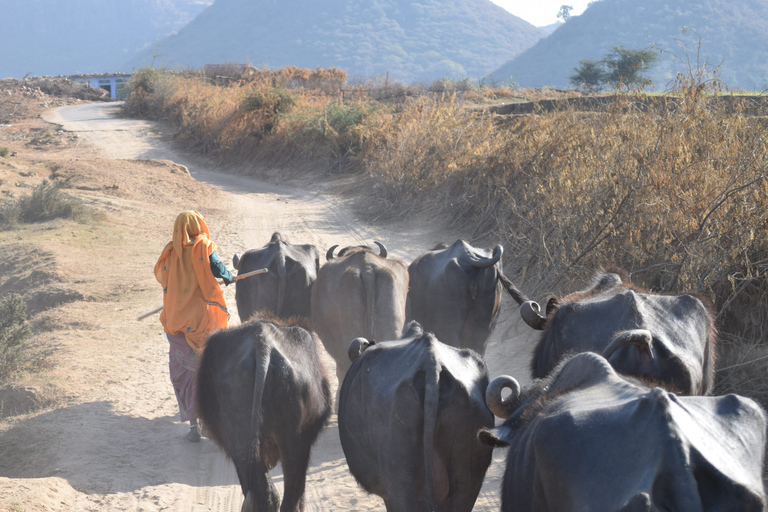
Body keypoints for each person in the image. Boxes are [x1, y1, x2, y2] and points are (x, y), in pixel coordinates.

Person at [154, 210, 233, 442]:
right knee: (208, 371)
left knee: (184, 373)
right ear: (197, 225)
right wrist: (228, 277)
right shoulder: (203, 247)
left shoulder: (169, 253)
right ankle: (210, 424)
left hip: (176, 322)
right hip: (202, 322)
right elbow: (219, 269)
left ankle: (192, 426)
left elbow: (163, 279)